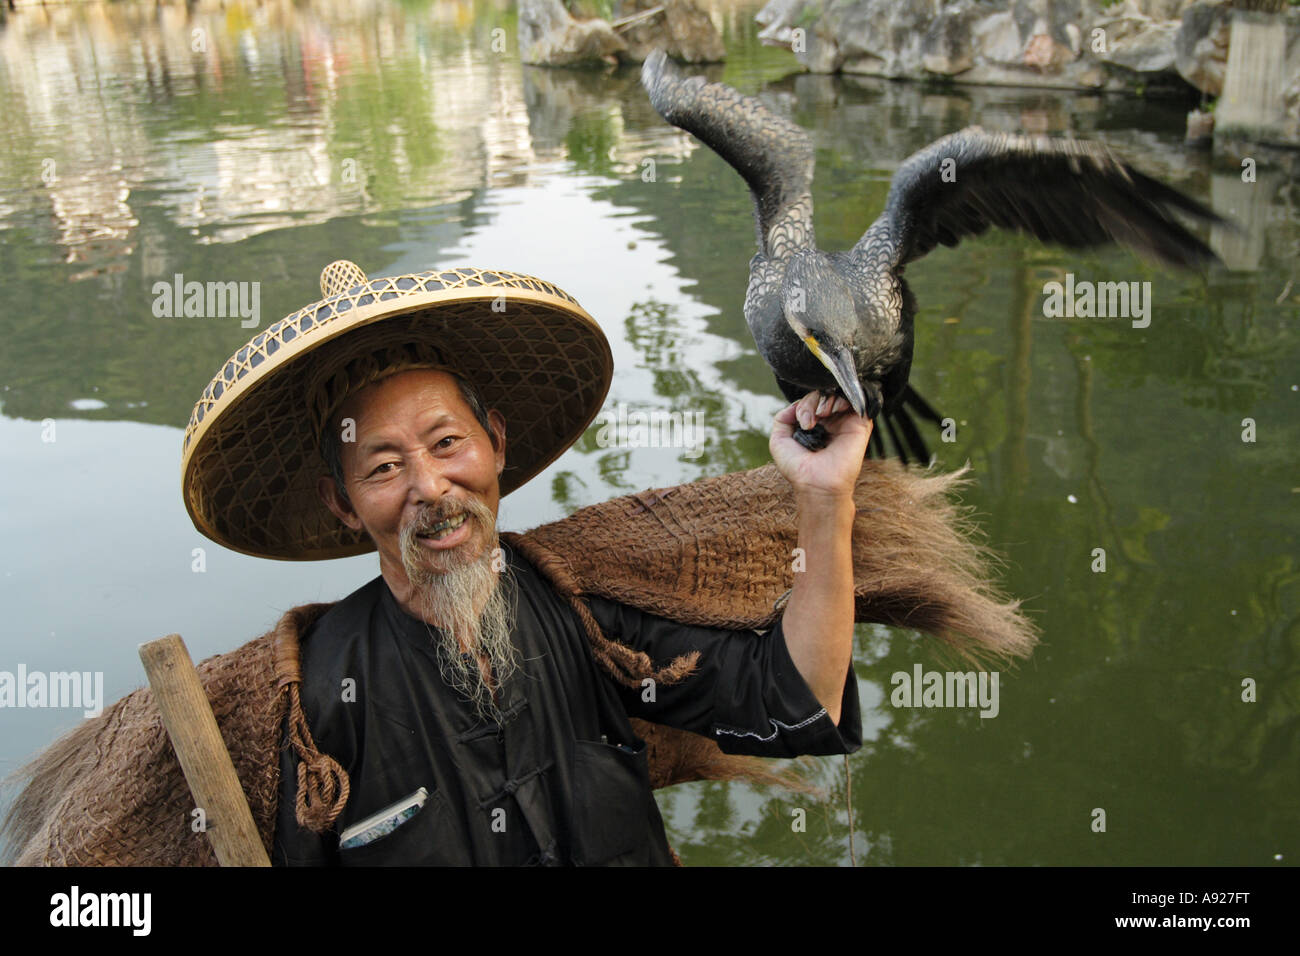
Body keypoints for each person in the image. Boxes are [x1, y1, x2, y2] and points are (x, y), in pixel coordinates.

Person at [178, 260, 869, 866]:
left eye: (447, 442)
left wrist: (823, 495)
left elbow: (799, 700)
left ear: (497, 443)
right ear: (344, 504)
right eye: (385, 466)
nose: (430, 487)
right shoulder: (323, 700)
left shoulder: (586, 617)